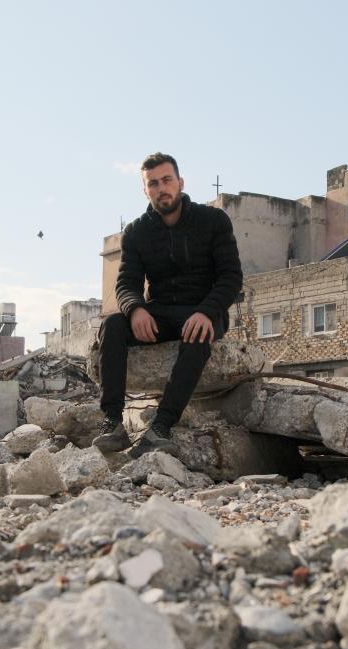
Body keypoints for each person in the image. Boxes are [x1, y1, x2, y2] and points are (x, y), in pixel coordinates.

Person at [93, 152, 243, 458]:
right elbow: (126, 283)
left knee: (198, 335)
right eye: (153, 183)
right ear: (145, 191)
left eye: (167, 180)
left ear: (180, 182)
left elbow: (231, 277)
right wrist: (135, 309)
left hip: (204, 310)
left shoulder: (213, 221)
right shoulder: (136, 232)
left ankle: (160, 427)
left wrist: (206, 311)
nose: (162, 188)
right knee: (112, 325)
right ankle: (113, 423)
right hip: (159, 312)